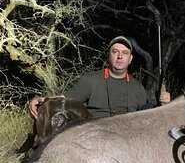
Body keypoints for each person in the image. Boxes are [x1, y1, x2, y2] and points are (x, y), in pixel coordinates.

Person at [29, 36, 170, 119]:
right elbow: (65, 99)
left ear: (130, 59)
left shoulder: (138, 88)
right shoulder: (90, 80)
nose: (120, 56)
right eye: (115, 52)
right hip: (95, 137)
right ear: (108, 56)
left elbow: (145, 117)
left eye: (125, 53)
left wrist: (164, 107)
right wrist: (43, 100)